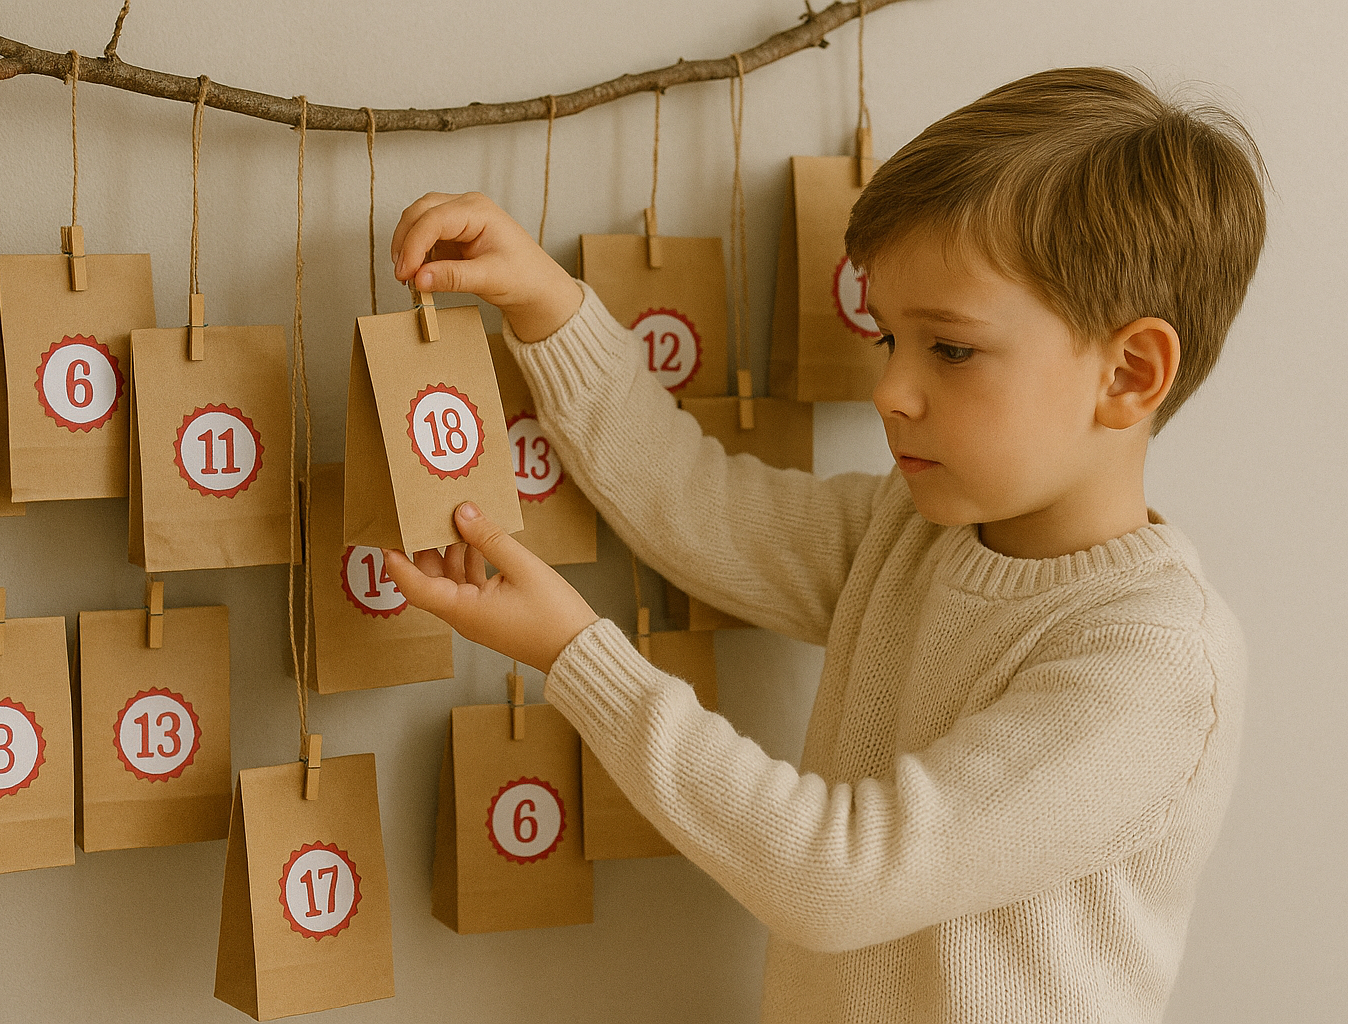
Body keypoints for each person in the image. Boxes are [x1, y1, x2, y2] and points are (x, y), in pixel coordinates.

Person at [383, 67, 1266, 1023]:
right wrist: (548, 309)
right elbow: (703, 510)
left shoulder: (1153, 666)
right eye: (889, 339)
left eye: (951, 348)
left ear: (1131, 374)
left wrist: (576, 654)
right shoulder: (913, 529)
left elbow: (835, 873)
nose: (890, 390)